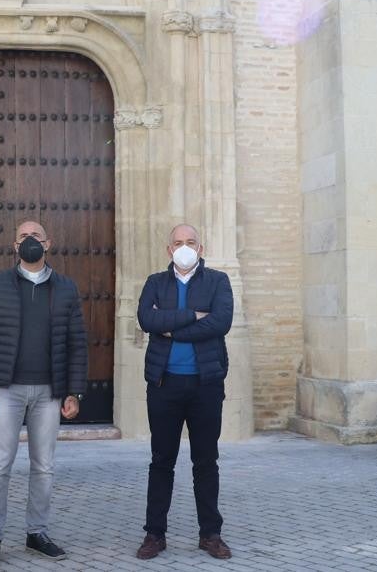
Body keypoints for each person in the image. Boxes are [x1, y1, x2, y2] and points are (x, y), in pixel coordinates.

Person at [0, 220, 88, 567]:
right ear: (14, 245)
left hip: (50, 392)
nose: (30, 241)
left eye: (36, 236)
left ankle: (37, 532)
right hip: (6, 390)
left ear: (47, 243)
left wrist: (74, 393)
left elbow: (77, 344)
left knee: (44, 466)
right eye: (24, 236)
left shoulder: (66, 288)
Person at [134, 224, 234, 561]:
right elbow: (147, 320)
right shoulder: (155, 283)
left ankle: (210, 535)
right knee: (161, 461)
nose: (184, 247)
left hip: (206, 384)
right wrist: (192, 316)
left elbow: (220, 322)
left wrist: (171, 329)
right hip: (164, 385)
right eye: (178, 243)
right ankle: (154, 534)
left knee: (206, 461)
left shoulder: (218, 282)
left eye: (190, 242)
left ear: (200, 248)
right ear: (169, 250)